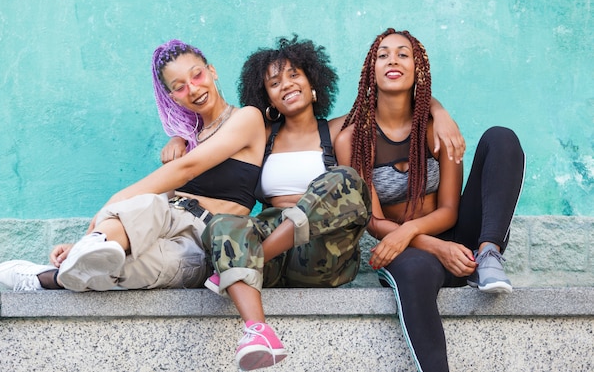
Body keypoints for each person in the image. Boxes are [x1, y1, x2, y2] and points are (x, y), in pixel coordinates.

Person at [199, 35, 465, 371]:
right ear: (265, 96)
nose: (286, 85)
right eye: (274, 82)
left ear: (313, 83)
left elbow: (396, 96)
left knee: (346, 179)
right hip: (274, 244)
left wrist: (439, 113)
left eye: (295, 75)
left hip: (324, 253)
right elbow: (211, 131)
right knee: (223, 224)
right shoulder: (258, 135)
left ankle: (244, 262)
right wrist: (181, 139)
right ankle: (258, 331)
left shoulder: (344, 127)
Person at [0, 40, 266, 292]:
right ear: (173, 97)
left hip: (206, 240)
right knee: (147, 205)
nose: (193, 88)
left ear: (212, 71)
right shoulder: (188, 139)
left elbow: (188, 169)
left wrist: (114, 201)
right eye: (180, 86)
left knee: (136, 268)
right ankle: (91, 246)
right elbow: (168, 191)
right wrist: (91, 234)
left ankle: (42, 279)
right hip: (167, 214)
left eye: (197, 75)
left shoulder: (247, 118)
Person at [335, 28, 526, 372]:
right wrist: (430, 246)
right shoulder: (354, 138)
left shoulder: (438, 129)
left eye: (403, 54)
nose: (392, 59)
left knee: (502, 138)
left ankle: (489, 253)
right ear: (371, 71)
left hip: (458, 240)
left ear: (418, 68)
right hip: (406, 252)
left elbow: (450, 210)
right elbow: (375, 221)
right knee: (417, 271)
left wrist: (439, 111)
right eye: (383, 55)